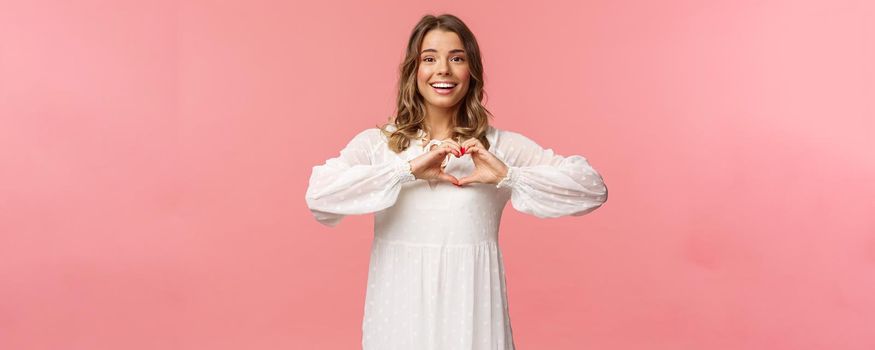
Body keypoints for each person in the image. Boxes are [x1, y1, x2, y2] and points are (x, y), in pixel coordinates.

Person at [305, 13, 608, 350]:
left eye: (457, 58)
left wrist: (509, 176)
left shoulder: (497, 148)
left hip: (472, 320)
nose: (443, 70)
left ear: (471, 71)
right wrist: (405, 171)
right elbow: (319, 195)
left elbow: (592, 189)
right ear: (413, 71)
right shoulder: (380, 145)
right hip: (399, 320)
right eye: (429, 58)